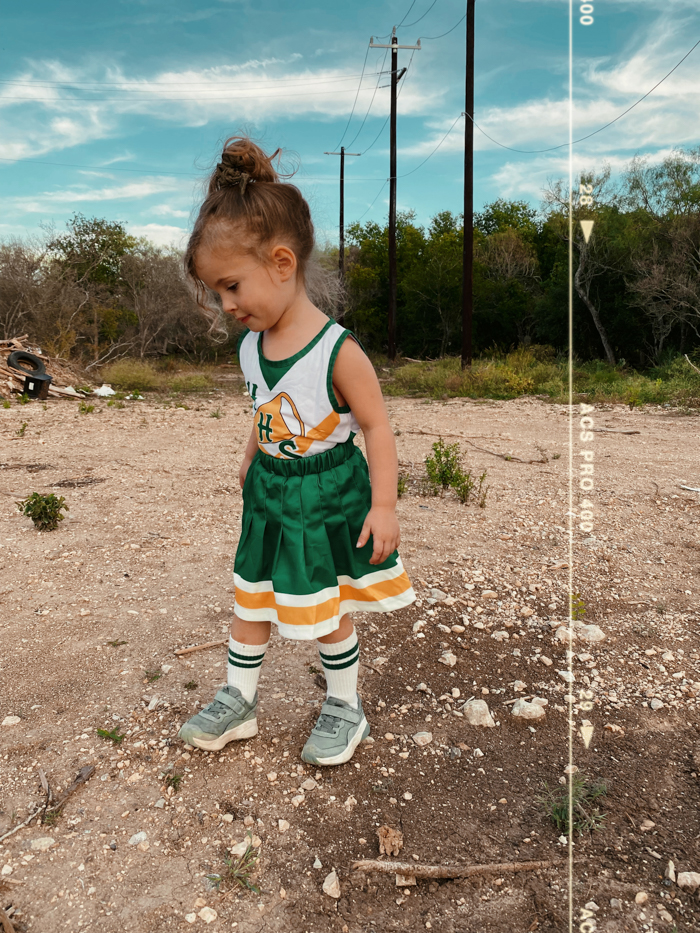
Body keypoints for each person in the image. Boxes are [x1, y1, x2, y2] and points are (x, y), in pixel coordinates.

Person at [178, 136, 415, 766]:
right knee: (251, 593)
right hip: (270, 493)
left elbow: (378, 429)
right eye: (218, 292)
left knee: (325, 604)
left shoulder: (339, 351)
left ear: (282, 262)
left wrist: (385, 506)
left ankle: (345, 705)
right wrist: (250, 454)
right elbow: (265, 407)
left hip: (326, 494)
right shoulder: (251, 347)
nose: (227, 305)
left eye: (232, 286)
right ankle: (239, 698)